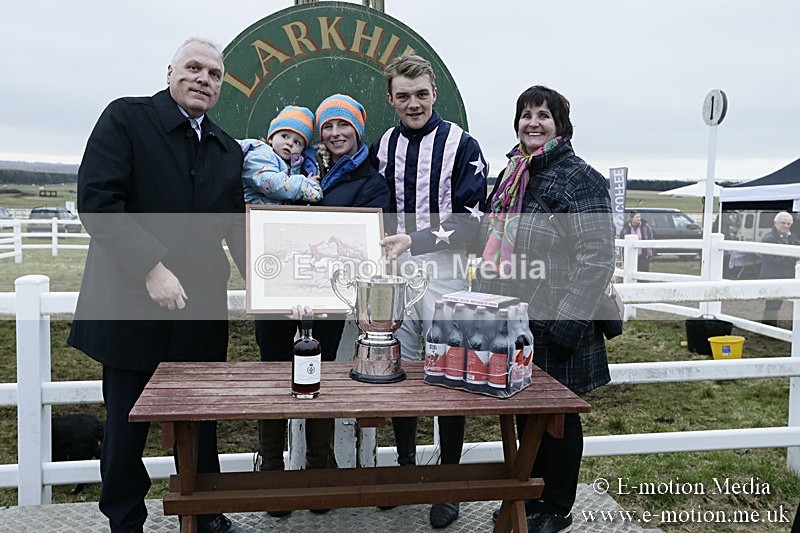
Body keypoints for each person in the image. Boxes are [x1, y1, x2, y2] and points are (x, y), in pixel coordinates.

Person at [67, 38, 245, 532]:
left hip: (199, 310)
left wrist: (277, 288)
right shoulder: (125, 119)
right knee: (127, 425)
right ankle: (125, 520)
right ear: (170, 71)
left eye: (214, 74)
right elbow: (98, 201)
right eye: (194, 67)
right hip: (130, 304)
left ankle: (205, 513)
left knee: (201, 423)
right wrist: (151, 267)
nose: (203, 79)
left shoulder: (227, 149)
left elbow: (236, 228)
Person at [477, 85, 615, 533]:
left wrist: (563, 326)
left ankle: (556, 505)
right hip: (513, 321)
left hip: (557, 322)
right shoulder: (511, 175)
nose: (533, 123)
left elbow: (597, 257)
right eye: (526, 114)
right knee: (521, 413)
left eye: (543, 115)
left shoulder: (581, 178)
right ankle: (528, 497)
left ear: (560, 125)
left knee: (558, 417)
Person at [252, 94, 390, 516]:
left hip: (329, 296)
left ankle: (317, 468)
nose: (335, 133)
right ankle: (272, 469)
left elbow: (361, 248)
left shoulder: (370, 181)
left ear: (357, 129)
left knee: (322, 373)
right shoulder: (291, 166)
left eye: (343, 125)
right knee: (274, 371)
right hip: (278, 292)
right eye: (328, 126)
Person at [371, 54, 487, 529]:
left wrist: (416, 240)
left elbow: (472, 220)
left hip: (445, 270)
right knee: (398, 368)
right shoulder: (382, 146)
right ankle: (404, 469)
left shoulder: (462, 143)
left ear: (434, 92)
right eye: (403, 96)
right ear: (390, 99)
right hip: (395, 271)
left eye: (421, 94)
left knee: (448, 372)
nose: (413, 103)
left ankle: (448, 480)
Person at [240, 105, 322, 205]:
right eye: (284, 136)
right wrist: (305, 186)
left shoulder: (289, 166)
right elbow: (272, 184)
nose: (290, 143)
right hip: (250, 216)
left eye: (297, 142)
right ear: (271, 138)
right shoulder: (260, 154)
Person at [759, 211, 800, 326]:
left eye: (788, 224)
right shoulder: (768, 239)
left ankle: (795, 325)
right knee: (773, 303)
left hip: (788, 275)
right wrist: (794, 259)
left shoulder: (792, 237)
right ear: (775, 223)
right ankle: (768, 328)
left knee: (796, 301)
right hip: (773, 276)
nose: (786, 226)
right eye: (783, 223)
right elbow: (775, 259)